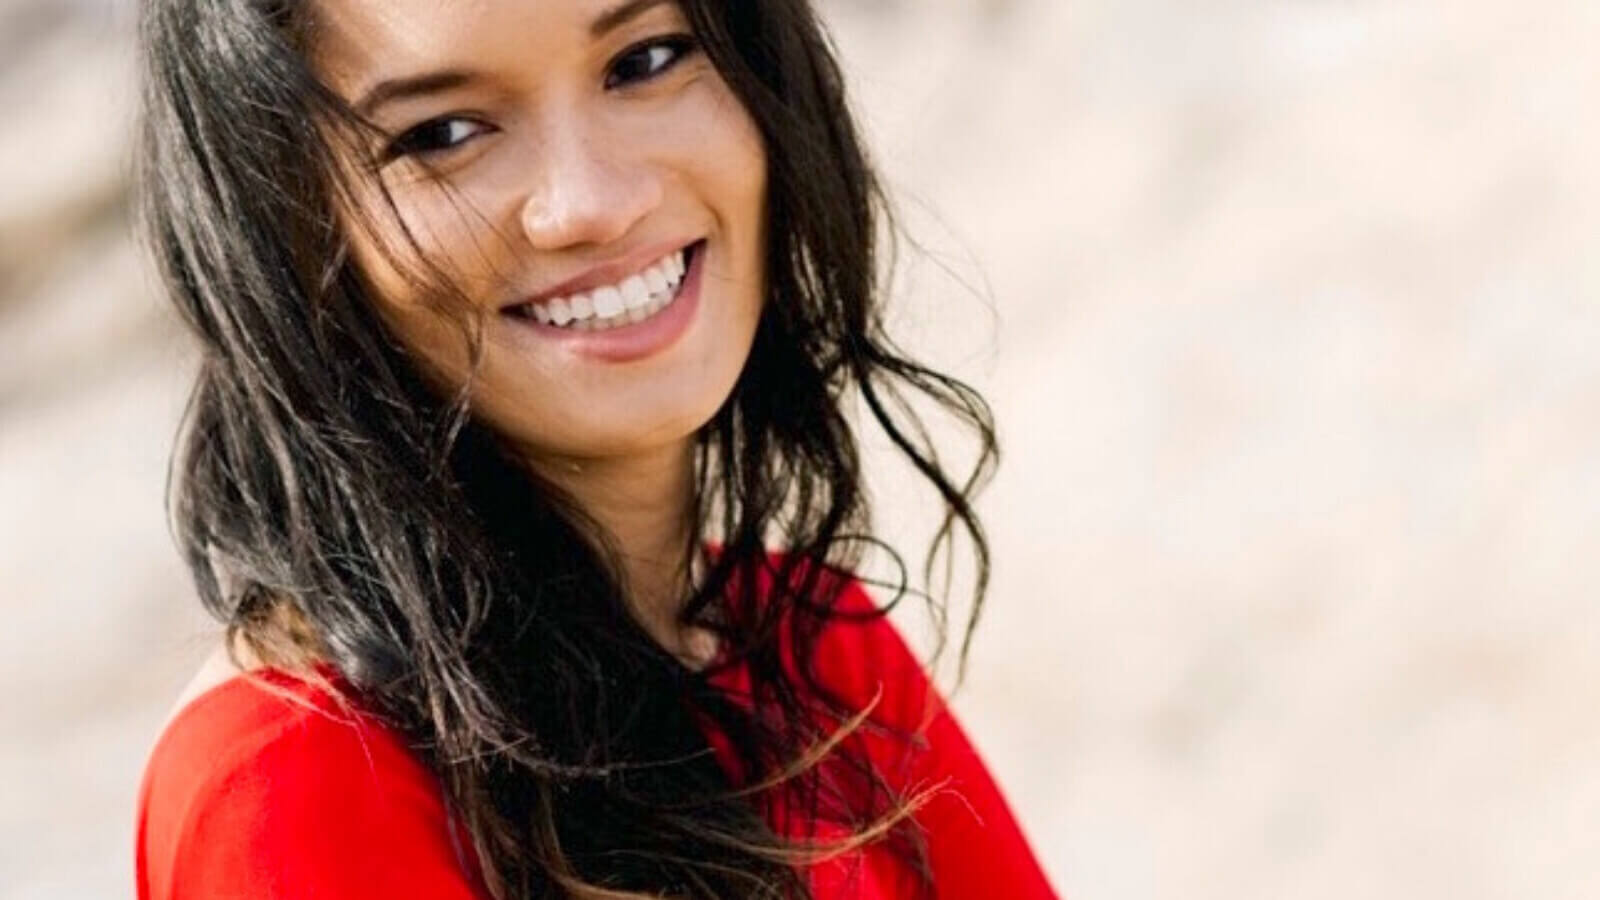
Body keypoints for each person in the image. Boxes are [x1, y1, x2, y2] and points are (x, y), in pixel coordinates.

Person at [132, 0, 1058, 897]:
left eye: (645, 61)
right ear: (281, 228)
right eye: (445, 133)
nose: (594, 203)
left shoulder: (807, 642)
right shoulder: (294, 785)